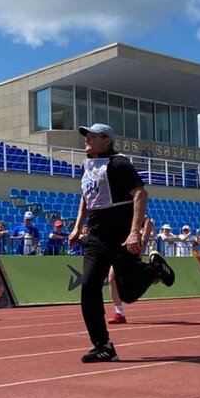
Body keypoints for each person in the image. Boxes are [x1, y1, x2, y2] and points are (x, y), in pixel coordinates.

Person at [69, 123, 175, 363]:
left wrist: (135, 232)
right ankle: (103, 345)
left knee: (127, 293)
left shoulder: (119, 163)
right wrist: (77, 227)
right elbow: (86, 198)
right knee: (89, 285)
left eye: (91, 136)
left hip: (121, 233)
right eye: (85, 136)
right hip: (96, 235)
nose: (86, 139)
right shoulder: (88, 166)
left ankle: (153, 269)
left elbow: (140, 194)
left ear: (106, 140)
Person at [107, 214, 154, 324]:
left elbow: (148, 222)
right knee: (111, 278)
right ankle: (119, 313)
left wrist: (144, 243)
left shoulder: (132, 207)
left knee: (128, 279)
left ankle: (153, 271)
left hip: (131, 247)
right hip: (118, 247)